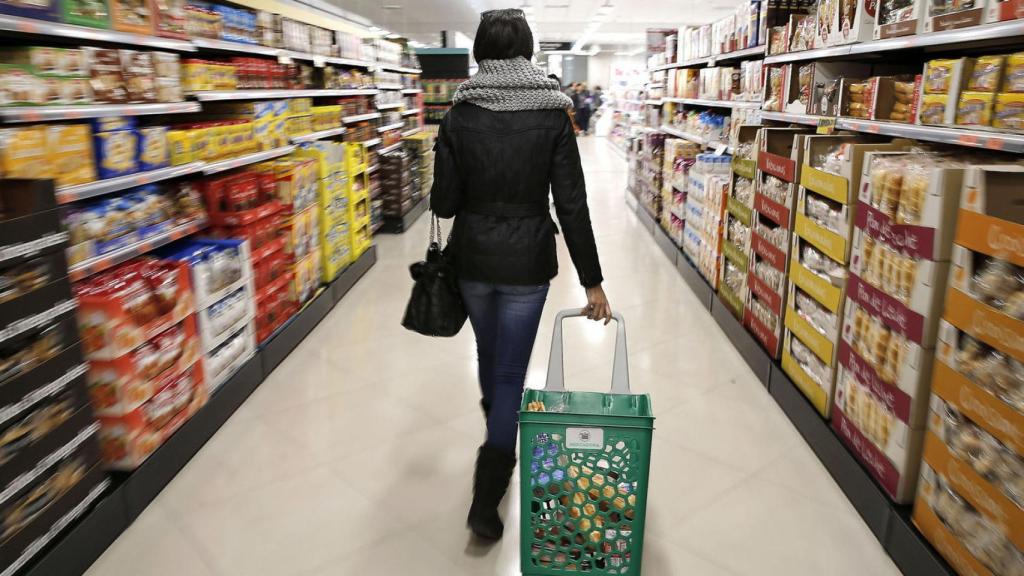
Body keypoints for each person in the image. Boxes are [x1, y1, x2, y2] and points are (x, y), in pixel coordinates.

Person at [430, 7, 611, 542]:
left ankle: (497, 430)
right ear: (528, 51)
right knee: (510, 371)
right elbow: (572, 204)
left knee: (490, 358)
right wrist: (592, 280)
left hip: (473, 257)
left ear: (480, 52)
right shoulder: (554, 113)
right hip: (528, 259)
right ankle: (487, 493)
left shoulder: (459, 113)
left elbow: (444, 203)